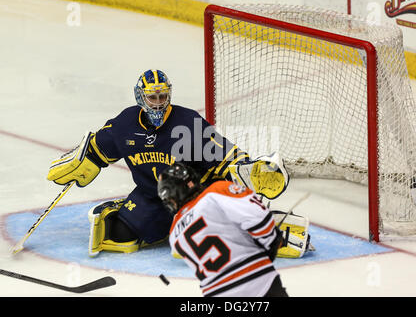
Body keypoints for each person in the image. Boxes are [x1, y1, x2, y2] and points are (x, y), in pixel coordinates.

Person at [46, 69, 290, 257]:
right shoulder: (125, 124)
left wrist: (248, 168)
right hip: (151, 196)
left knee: (205, 245)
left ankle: (250, 222)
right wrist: (83, 161)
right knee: (120, 237)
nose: (159, 103)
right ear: (140, 97)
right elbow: (98, 149)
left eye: (163, 96)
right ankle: (131, 210)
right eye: (152, 97)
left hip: (192, 194)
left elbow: (223, 153)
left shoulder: (186, 122)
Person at [157, 162, 294, 297]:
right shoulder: (216, 192)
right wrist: (272, 241)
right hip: (258, 283)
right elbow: (260, 219)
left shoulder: (174, 233)